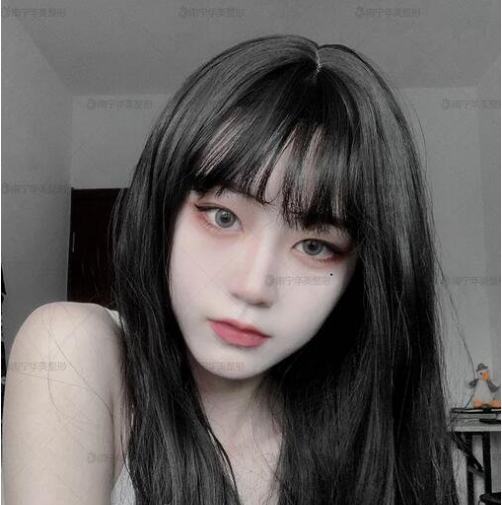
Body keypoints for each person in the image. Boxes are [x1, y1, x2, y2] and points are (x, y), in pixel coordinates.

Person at [3, 34, 459, 505]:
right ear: (163, 211)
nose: (253, 286)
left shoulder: (364, 444)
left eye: (315, 246)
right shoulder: (74, 350)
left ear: (358, 279)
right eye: (223, 217)